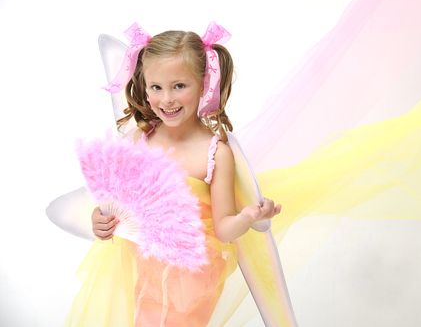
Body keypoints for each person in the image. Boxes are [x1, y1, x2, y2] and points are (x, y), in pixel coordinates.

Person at [66, 22, 282, 327]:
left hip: (193, 275)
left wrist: (247, 217)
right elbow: (116, 203)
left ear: (204, 84)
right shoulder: (138, 142)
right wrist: (100, 220)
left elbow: (223, 228)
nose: (166, 99)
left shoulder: (215, 154)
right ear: (145, 87)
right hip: (145, 265)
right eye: (156, 87)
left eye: (179, 86)